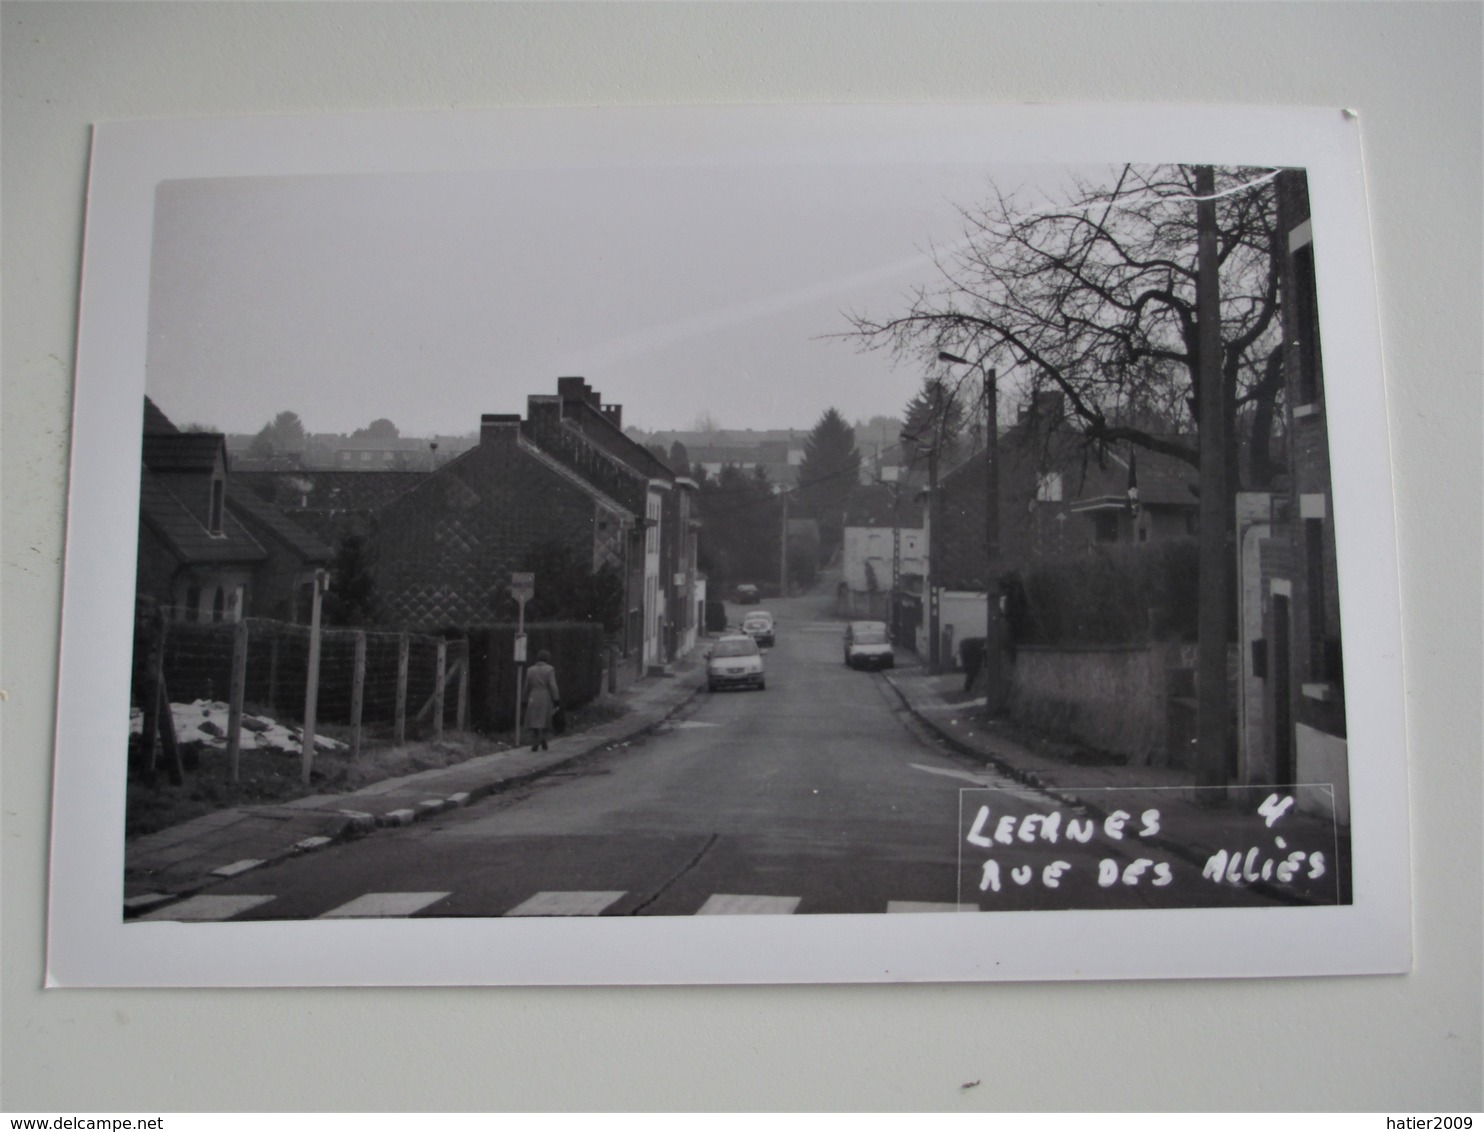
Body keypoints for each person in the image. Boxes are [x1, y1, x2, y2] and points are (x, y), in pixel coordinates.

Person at [524, 649, 560, 751]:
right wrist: (556, 699)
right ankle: (542, 738)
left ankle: (536, 740)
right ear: (547, 659)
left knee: (534, 719)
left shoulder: (530, 670)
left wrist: (524, 699)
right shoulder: (550, 669)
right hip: (545, 696)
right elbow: (553, 686)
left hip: (533, 696)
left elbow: (526, 686)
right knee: (545, 719)